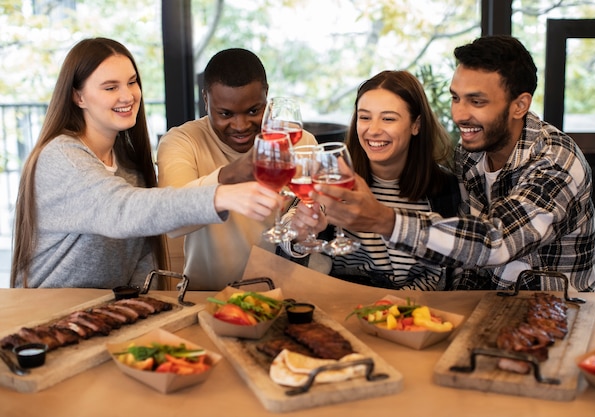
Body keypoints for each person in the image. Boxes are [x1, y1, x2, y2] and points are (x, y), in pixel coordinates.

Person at [304, 35, 595, 292]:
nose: (459, 114)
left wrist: (385, 220)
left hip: (554, 312)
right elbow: (465, 254)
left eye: (476, 101)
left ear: (519, 105)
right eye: (455, 98)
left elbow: (496, 241)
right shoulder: (471, 151)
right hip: (481, 308)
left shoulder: (556, 162)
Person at [10, 38, 282, 289]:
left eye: (131, 82)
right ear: (78, 96)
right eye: (110, 87)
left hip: (108, 316)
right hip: (49, 319)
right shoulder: (62, 156)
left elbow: (142, 260)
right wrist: (221, 194)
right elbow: (121, 210)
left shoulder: (128, 163)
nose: (128, 96)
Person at [156, 48, 317, 290]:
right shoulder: (182, 141)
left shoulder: (300, 142)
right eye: (225, 114)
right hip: (206, 295)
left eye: (254, 111)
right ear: (206, 99)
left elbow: (304, 221)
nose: (241, 126)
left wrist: (304, 226)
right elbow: (172, 222)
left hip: (285, 295)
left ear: (267, 95)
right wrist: (231, 173)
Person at [284, 70, 460, 290]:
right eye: (365, 117)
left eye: (388, 119)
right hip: (338, 301)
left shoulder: (445, 188)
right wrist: (301, 231)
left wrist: (392, 308)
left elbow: (440, 273)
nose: (373, 130)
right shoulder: (334, 174)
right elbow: (290, 229)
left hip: (412, 310)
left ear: (416, 125)